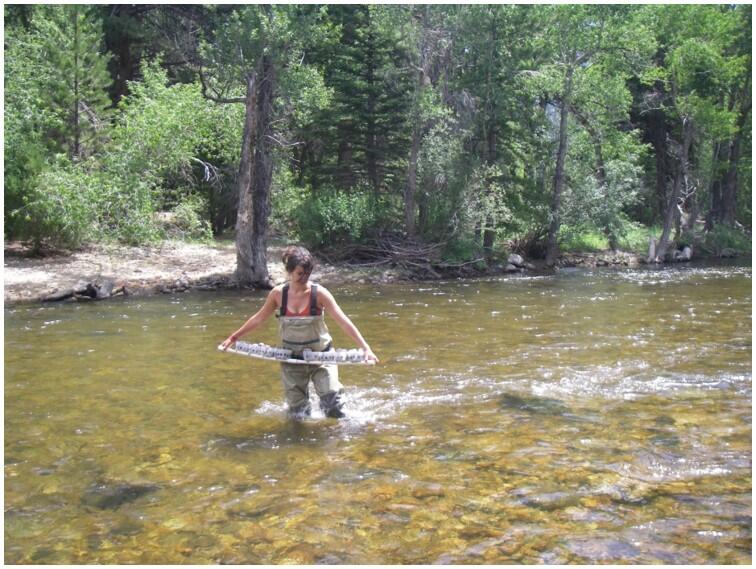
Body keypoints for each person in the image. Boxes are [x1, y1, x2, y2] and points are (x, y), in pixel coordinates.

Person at [221, 245, 378, 419]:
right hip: (290, 359)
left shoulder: (320, 294)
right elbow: (258, 319)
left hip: (322, 357)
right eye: (300, 273)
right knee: (298, 413)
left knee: (333, 404)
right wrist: (233, 337)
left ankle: (339, 438)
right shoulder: (277, 294)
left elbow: (343, 321)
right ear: (289, 272)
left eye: (308, 273)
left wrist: (365, 348)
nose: (304, 278)